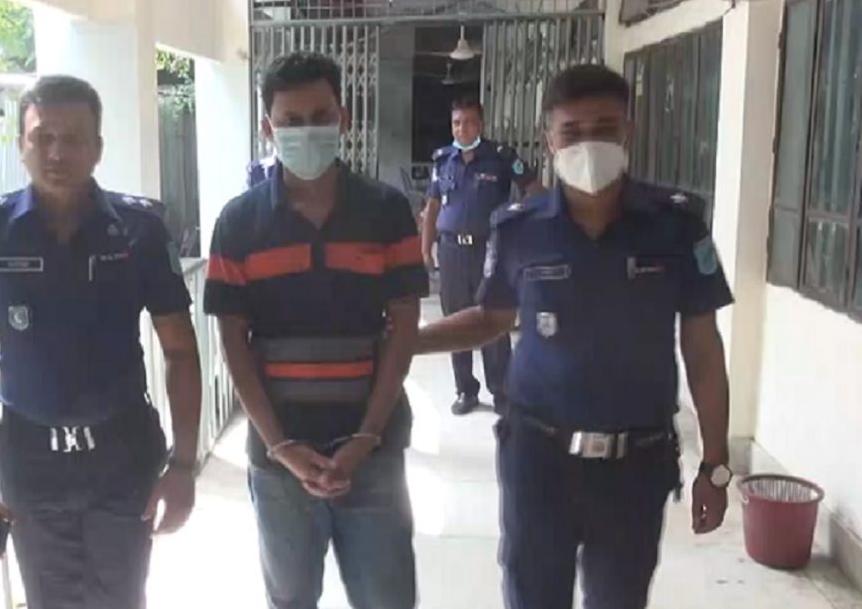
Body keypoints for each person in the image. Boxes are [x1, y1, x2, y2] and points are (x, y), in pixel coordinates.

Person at [416, 64, 734, 609]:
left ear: (628, 131)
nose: (589, 144)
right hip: (537, 459)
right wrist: (408, 342)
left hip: (635, 464)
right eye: (572, 131)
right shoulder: (519, 228)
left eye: (605, 128)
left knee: (619, 600)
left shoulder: (677, 226)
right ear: (549, 140)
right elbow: (490, 318)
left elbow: (703, 352)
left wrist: (716, 465)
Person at [0, 75, 203, 608]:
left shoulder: (140, 231)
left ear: (98, 148)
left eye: (74, 138)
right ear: (21, 144)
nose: (57, 152)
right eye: (43, 137)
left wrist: (183, 465)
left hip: (122, 457)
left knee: (122, 598)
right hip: (29, 461)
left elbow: (180, 350)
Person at [204, 51, 427, 609]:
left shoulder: (386, 211)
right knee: (291, 600)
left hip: (373, 456)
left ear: (344, 118)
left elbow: (403, 329)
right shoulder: (238, 223)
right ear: (268, 128)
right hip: (279, 462)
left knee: (388, 599)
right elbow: (233, 342)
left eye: (321, 117)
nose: (308, 131)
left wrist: (365, 438)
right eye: (292, 120)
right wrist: (281, 446)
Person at [421, 95, 541, 416]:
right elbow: (432, 207)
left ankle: (501, 390)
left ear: (481, 125)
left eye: (469, 122)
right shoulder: (443, 161)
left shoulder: (499, 157)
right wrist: (425, 249)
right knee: (454, 319)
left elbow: (535, 191)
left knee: (492, 317)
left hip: (490, 250)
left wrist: (519, 225)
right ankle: (465, 390)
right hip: (450, 251)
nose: (462, 129)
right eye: (456, 123)